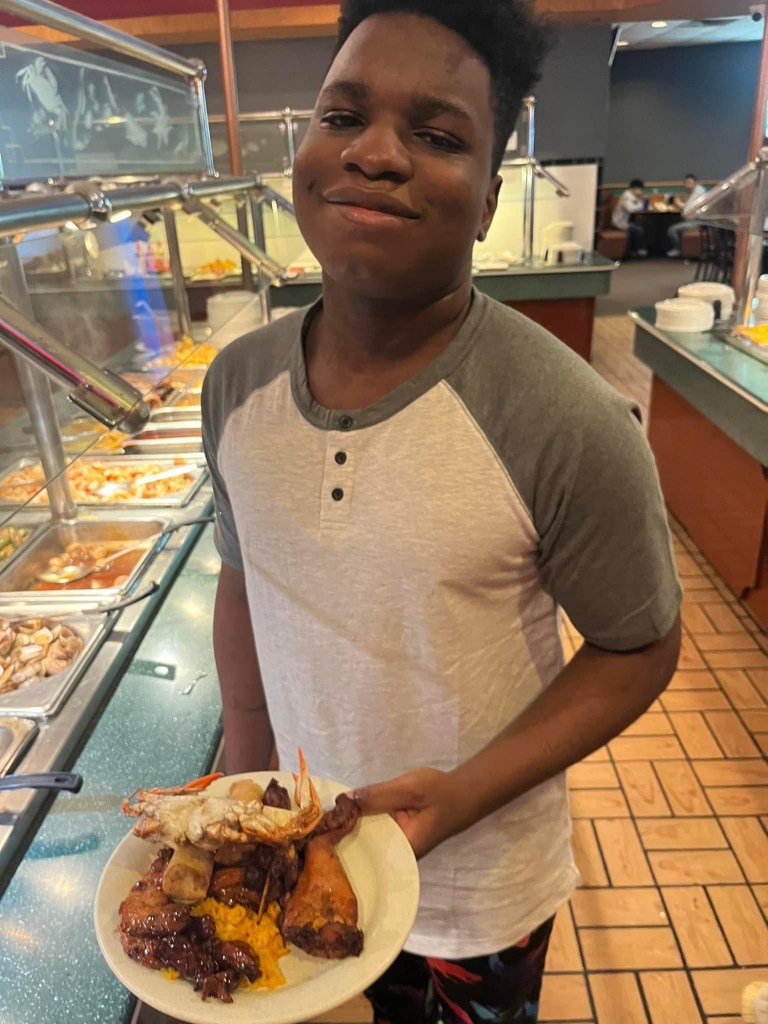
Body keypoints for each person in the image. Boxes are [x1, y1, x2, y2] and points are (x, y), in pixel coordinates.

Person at [202, 2, 682, 1022]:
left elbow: (640, 645)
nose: (375, 154)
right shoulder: (234, 383)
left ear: (489, 198)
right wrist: (244, 775)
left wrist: (463, 794)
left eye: (436, 133)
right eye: (343, 114)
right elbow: (246, 583)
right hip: (302, 842)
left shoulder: (567, 418)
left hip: (479, 889)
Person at [667, 173, 708, 258]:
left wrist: (677, 203)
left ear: (695, 183)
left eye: (689, 183)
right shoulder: (696, 191)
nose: (686, 185)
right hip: (695, 220)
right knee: (675, 224)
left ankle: (678, 249)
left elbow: (687, 208)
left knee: (672, 229)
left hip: (698, 222)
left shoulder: (698, 192)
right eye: (685, 183)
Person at [611, 178, 648, 257]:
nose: (641, 191)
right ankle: (641, 250)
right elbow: (630, 209)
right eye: (640, 189)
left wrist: (641, 203)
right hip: (619, 222)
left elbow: (637, 206)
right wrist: (642, 205)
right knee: (639, 230)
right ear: (634, 189)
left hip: (626, 221)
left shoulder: (633, 196)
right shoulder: (626, 196)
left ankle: (635, 249)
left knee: (640, 226)